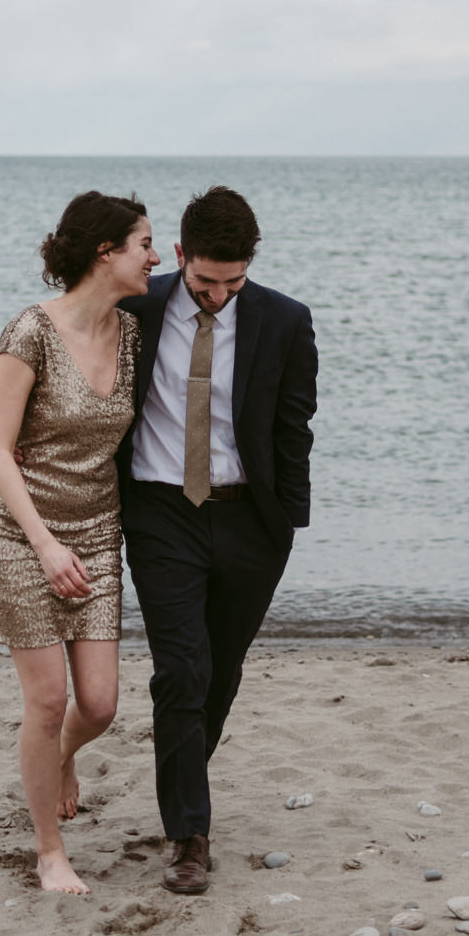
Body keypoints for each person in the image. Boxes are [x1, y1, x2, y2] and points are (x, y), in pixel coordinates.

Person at [118, 186, 317, 894]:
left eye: (233, 283)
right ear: (179, 256)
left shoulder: (286, 321)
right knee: (182, 669)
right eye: (205, 281)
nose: (218, 297)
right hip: (159, 512)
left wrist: (287, 522)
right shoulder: (135, 309)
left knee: (221, 672)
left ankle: (183, 783)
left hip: (249, 523)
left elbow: (295, 428)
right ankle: (190, 835)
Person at [0, 192, 159, 895]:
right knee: (48, 699)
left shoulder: (134, 333)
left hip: (97, 532)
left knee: (103, 704)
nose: (154, 255)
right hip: (20, 535)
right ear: (104, 251)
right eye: (144, 241)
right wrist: (46, 545)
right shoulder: (29, 332)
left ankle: (57, 758)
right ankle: (50, 852)